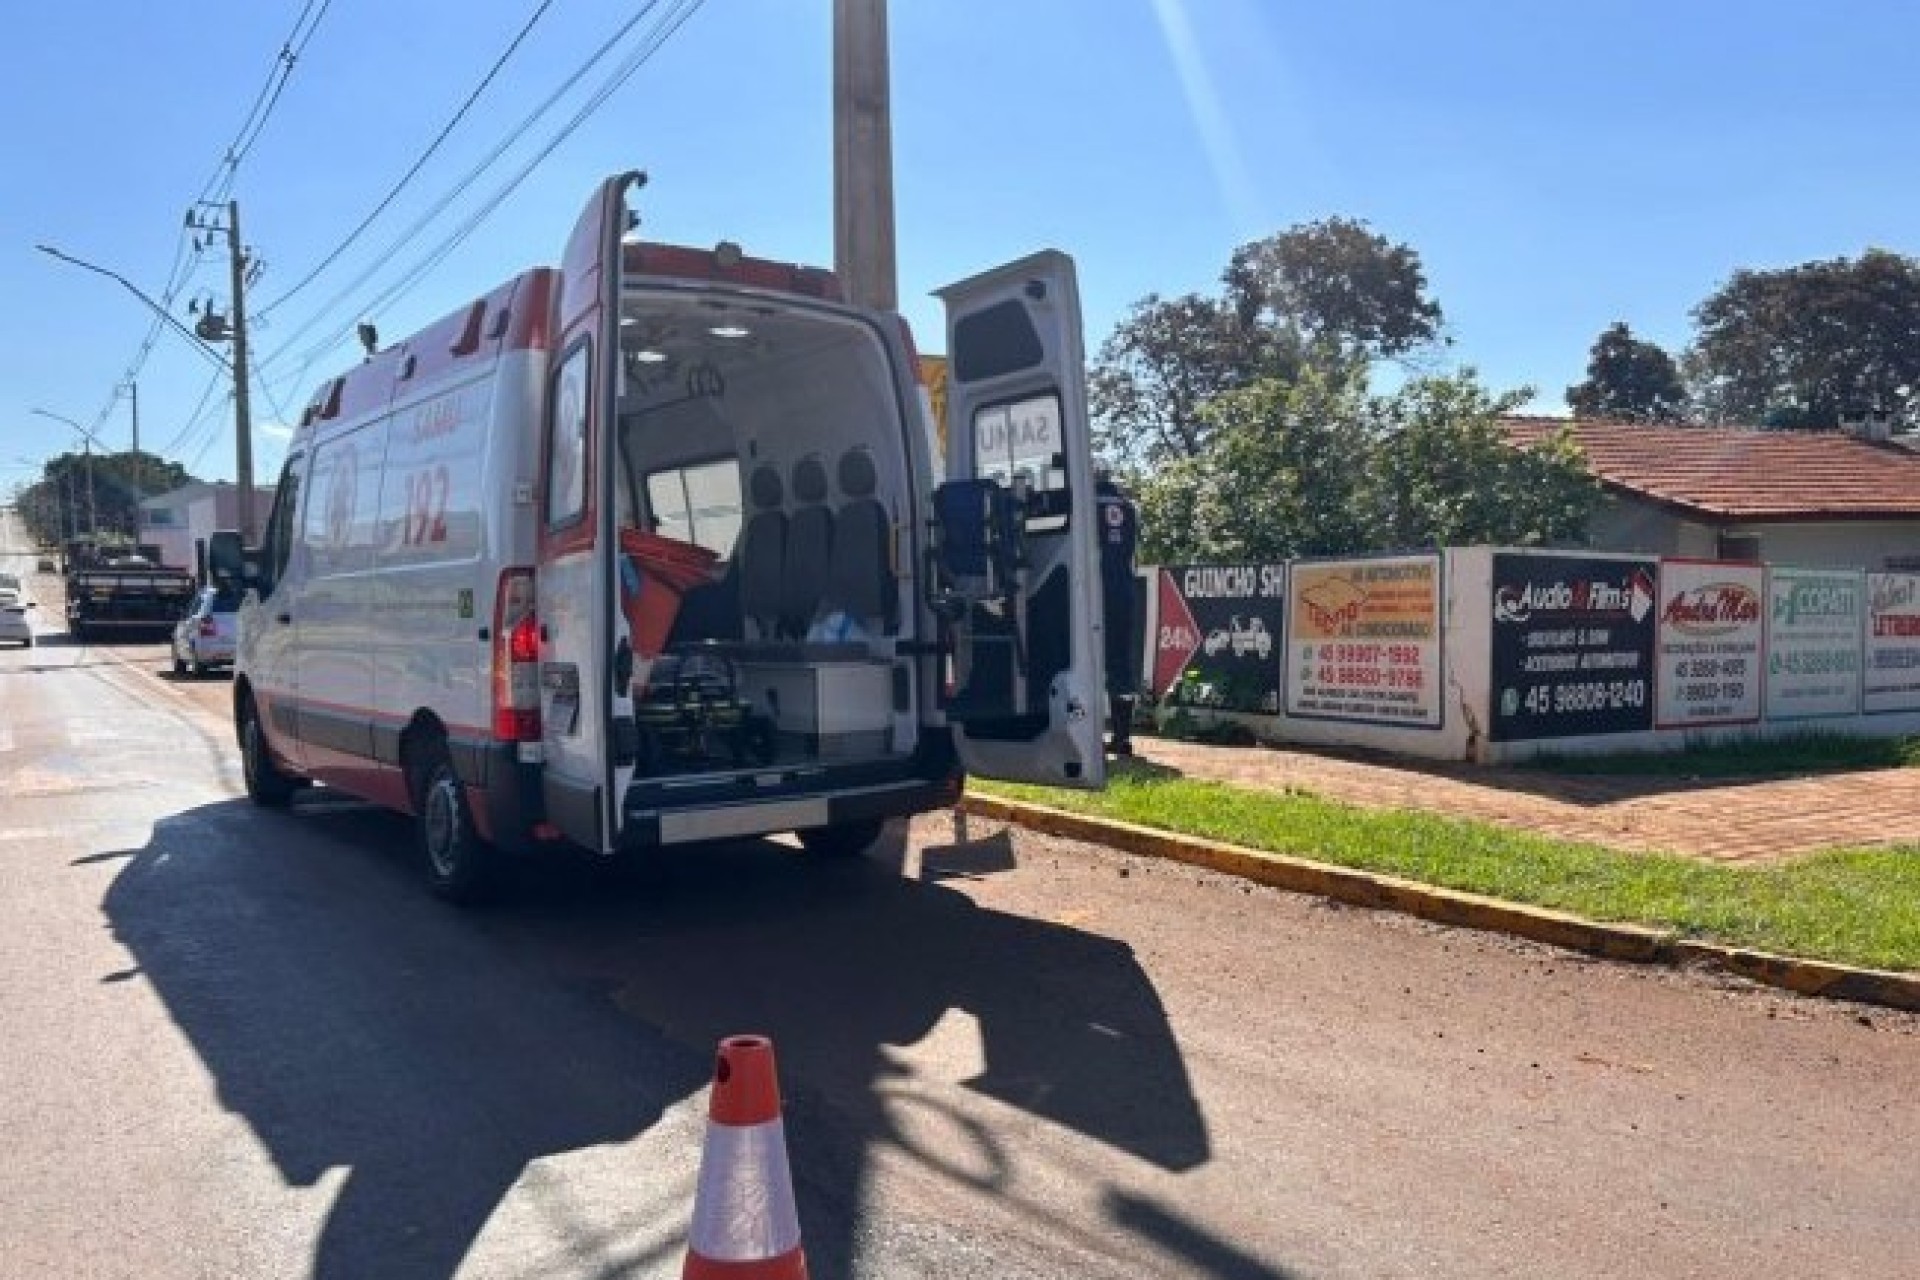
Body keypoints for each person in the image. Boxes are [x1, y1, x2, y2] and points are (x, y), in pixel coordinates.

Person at [1094, 462, 1140, 755]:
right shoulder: (1128, 507)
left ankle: (1086, 735)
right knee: (1119, 662)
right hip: (1123, 590)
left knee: (1085, 660)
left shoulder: (1087, 504)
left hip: (1093, 592)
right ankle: (1122, 737)